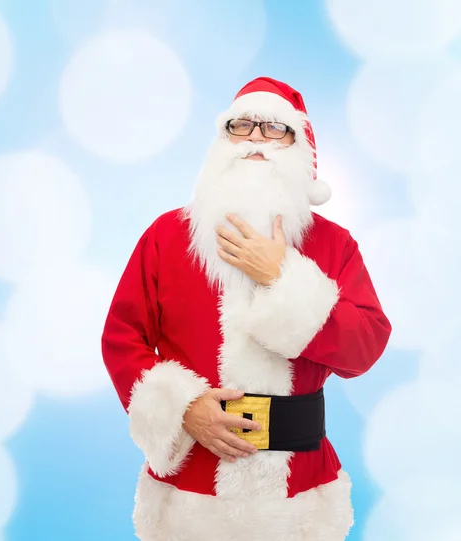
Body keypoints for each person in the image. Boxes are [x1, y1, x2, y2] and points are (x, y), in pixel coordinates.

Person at [101, 76, 391, 541]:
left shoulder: (334, 245)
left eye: (275, 128)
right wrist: (184, 407)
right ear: (222, 140)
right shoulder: (165, 237)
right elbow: (121, 339)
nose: (255, 136)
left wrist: (283, 278)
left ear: (301, 148)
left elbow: (365, 348)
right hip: (189, 499)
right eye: (242, 125)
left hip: (299, 495)